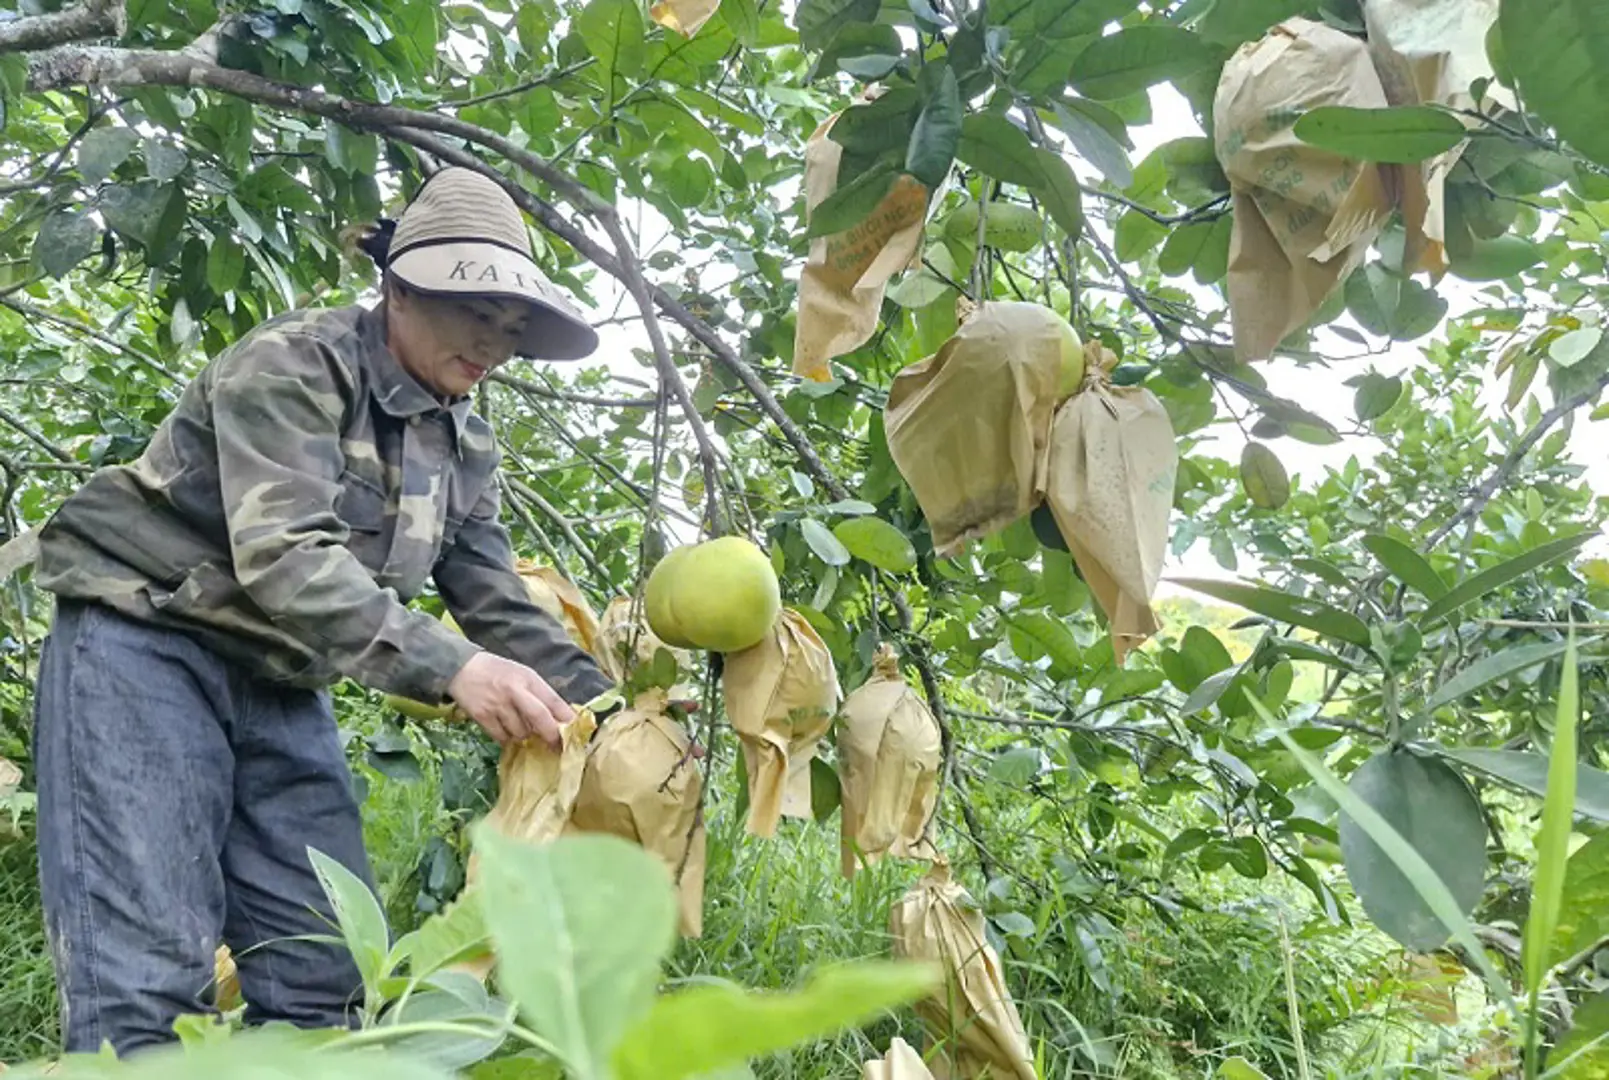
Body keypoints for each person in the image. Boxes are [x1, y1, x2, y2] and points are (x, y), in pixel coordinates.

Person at [28, 166, 620, 1054]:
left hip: (281, 677)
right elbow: (284, 556)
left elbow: (496, 597)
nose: (495, 343)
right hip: (144, 644)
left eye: (511, 326)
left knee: (326, 969)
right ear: (399, 289)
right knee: (145, 978)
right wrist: (453, 668)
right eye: (476, 311)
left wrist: (609, 711)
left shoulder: (463, 440)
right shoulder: (296, 364)